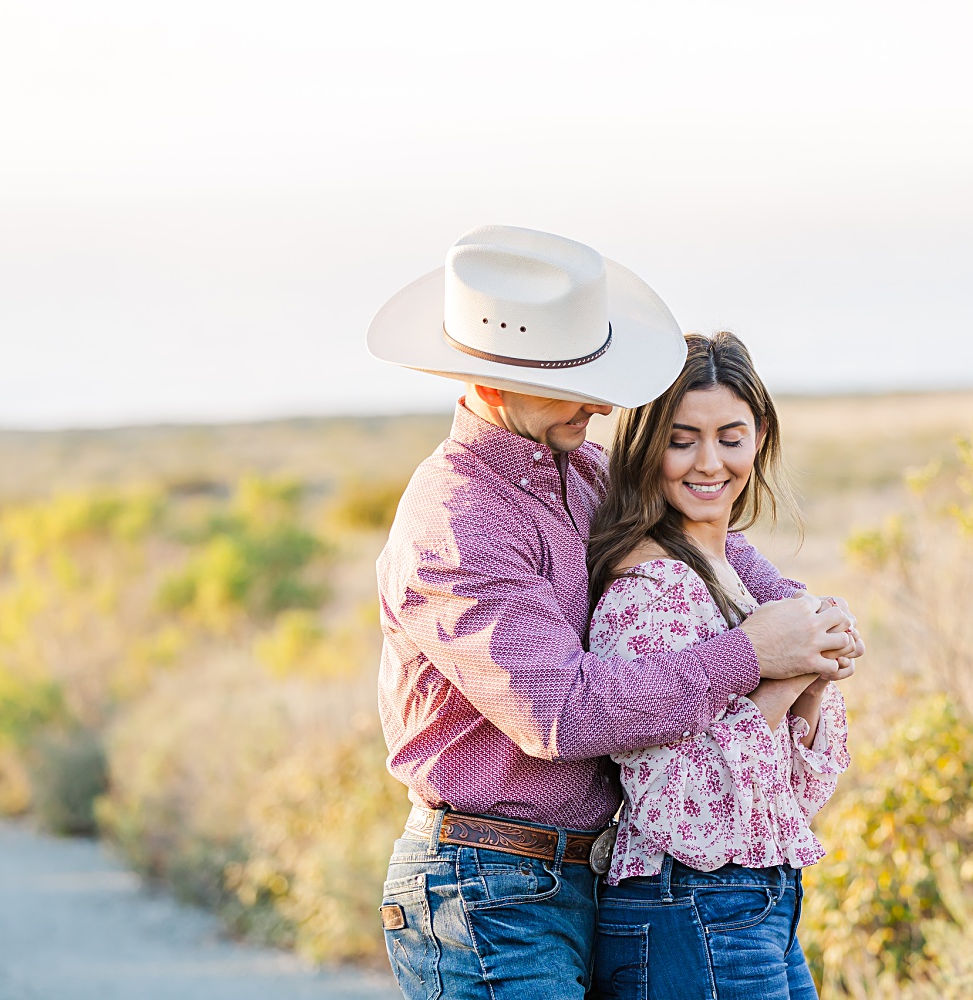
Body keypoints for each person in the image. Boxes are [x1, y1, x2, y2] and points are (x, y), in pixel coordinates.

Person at [366, 225, 863, 1000]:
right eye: (572, 382)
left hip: (584, 875)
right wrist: (756, 655)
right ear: (492, 379)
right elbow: (559, 714)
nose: (601, 402)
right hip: (485, 886)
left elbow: (715, 550)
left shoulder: (585, 471)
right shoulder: (456, 518)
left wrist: (803, 616)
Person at [585, 332, 849, 1000]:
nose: (709, 462)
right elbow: (675, 804)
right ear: (648, 447)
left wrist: (818, 673)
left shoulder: (734, 576)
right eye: (682, 440)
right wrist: (787, 675)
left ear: (759, 435)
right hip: (687, 899)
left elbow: (788, 791)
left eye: (730, 437)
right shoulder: (647, 591)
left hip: (760, 897)